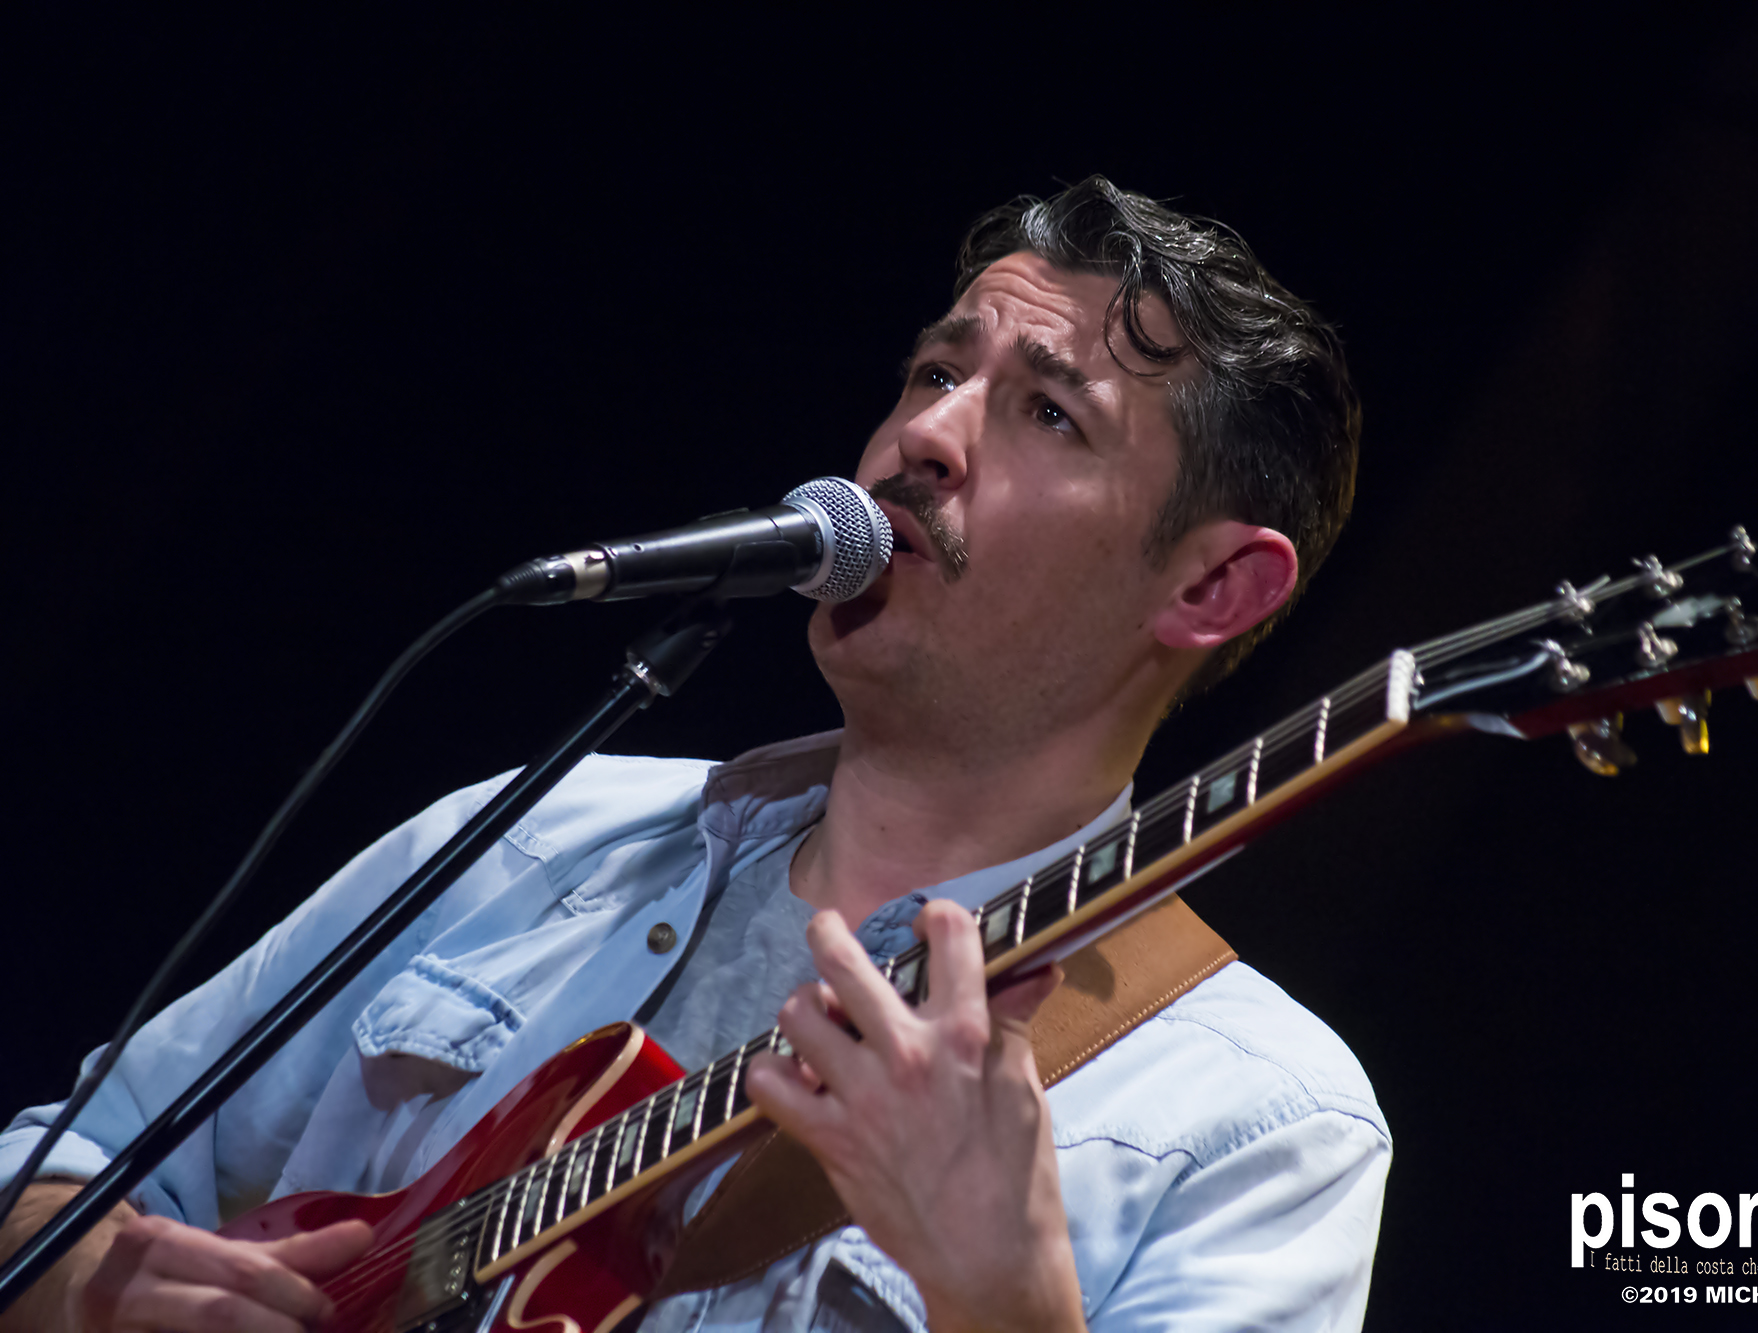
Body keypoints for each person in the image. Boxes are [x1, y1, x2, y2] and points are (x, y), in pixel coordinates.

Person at [1, 176, 1389, 1332]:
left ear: (1212, 588)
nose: (924, 433)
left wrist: (1003, 1296)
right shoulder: (534, 832)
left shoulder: (1259, 1121)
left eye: (1047, 412)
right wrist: (85, 1286)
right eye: (936, 370)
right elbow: (61, 1156)